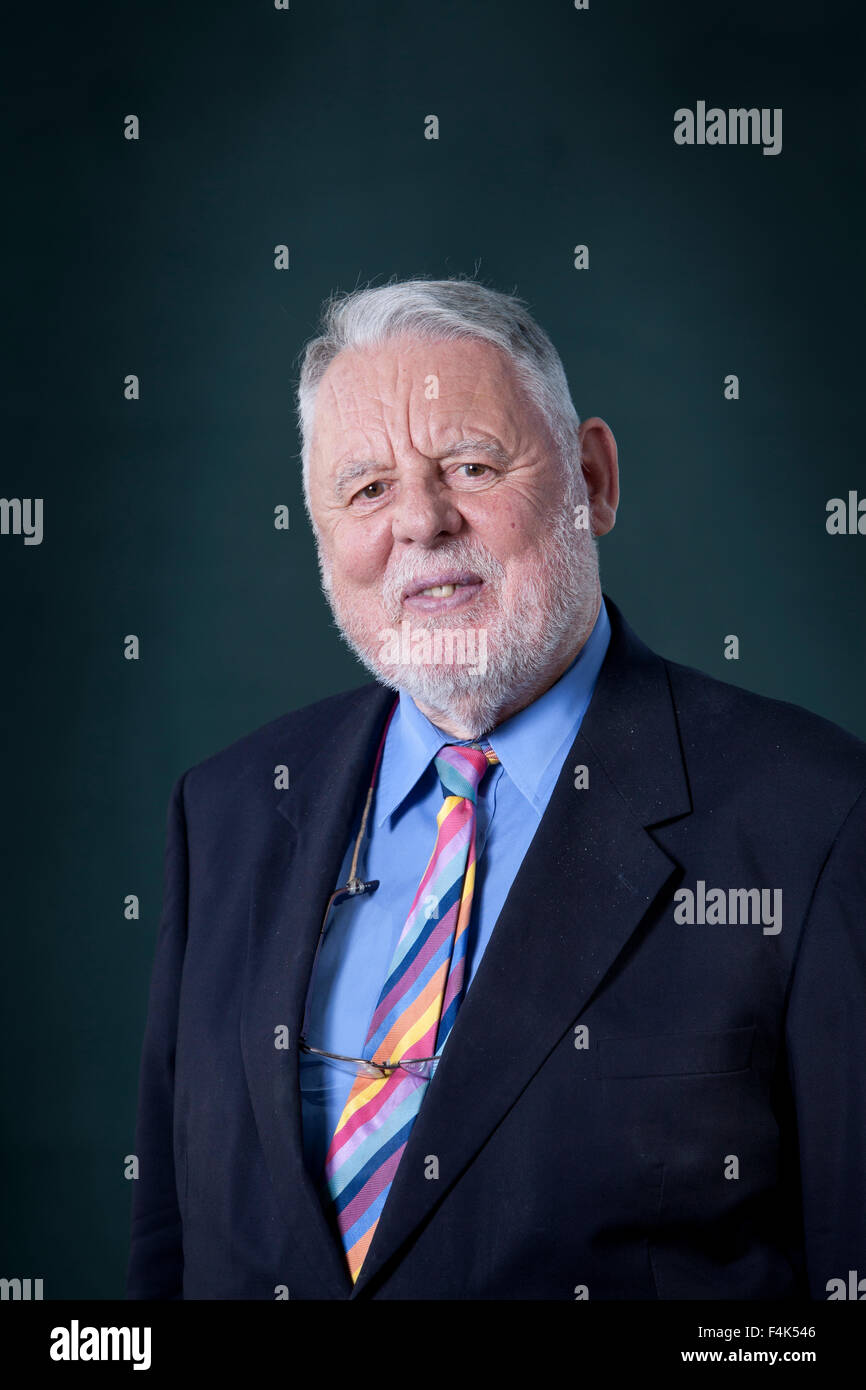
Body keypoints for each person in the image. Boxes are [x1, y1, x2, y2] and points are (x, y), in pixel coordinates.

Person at [127, 278, 866, 1300]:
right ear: (320, 534)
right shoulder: (225, 815)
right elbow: (169, 1255)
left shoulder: (815, 820)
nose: (422, 523)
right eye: (366, 488)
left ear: (592, 480)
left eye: (471, 465)